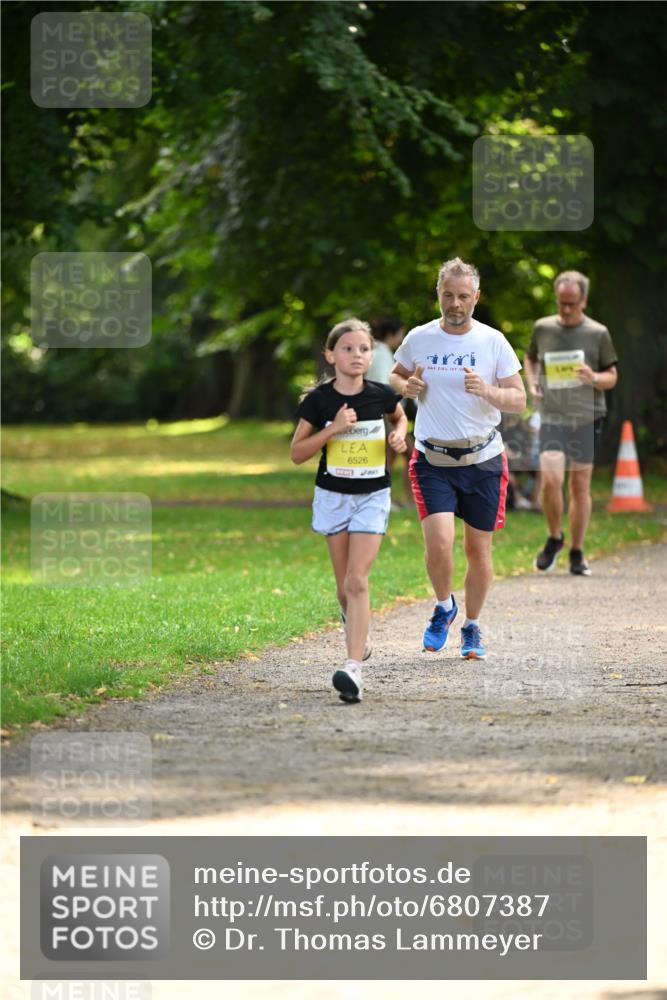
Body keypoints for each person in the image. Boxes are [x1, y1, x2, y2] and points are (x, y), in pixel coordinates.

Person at [389, 257, 526, 659]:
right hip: (432, 458)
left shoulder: (492, 341)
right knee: (439, 543)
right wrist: (406, 385)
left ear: (476, 297)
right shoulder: (420, 338)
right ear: (438, 294)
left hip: (483, 460)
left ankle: (472, 625)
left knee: (478, 551)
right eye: (448, 295)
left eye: (463, 296)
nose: (455, 303)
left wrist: (488, 391)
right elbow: (396, 376)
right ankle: (444, 604)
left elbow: (518, 399)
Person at [290, 318, 408, 703]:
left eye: (363, 349)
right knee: (344, 590)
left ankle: (353, 668)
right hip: (333, 496)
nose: (357, 355)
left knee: (358, 581)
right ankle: (357, 629)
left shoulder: (381, 394)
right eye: (347, 349)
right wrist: (333, 428)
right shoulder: (319, 401)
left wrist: (399, 435)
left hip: (373, 495)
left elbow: (400, 416)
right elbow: (297, 453)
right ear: (330, 355)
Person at [524, 270, 618, 576]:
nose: (565, 310)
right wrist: (533, 381)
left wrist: (593, 377)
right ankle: (555, 537)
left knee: (579, 485)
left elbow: (612, 377)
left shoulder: (598, 333)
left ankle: (577, 551)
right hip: (553, 415)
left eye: (572, 304)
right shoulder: (543, 327)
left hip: (586, 416)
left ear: (584, 300)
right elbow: (530, 358)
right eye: (561, 303)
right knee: (550, 480)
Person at [367, 316, 415, 507]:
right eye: (400, 334)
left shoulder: (383, 353)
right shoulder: (381, 354)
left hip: (390, 415)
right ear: (391, 334)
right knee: (408, 455)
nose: (401, 338)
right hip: (386, 415)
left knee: (392, 458)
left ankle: (395, 499)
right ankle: (391, 499)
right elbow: (381, 386)